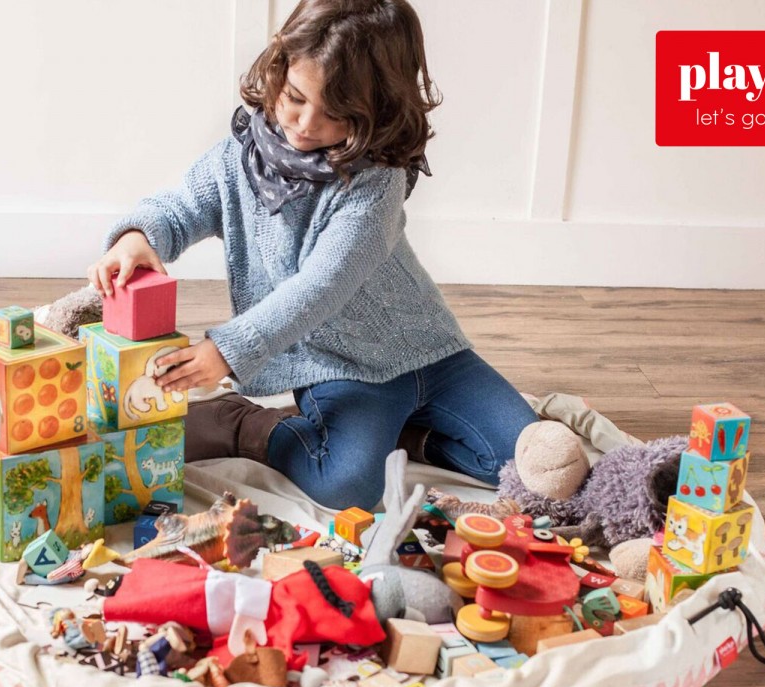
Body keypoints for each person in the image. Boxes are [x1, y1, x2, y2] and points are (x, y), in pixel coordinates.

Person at [87, 0, 537, 510]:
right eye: (295, 97)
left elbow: (322, 285)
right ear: (278, 70)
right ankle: (245, 422)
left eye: (336, 114)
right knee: (348, 486)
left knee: (534, 467)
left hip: (430, 353)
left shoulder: (377, 180)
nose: (303, 124)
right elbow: (181, 207)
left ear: (378, 110)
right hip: (335, 366)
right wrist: (139, 236)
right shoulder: (240, 156)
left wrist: (228, 351)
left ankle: (410, 437)